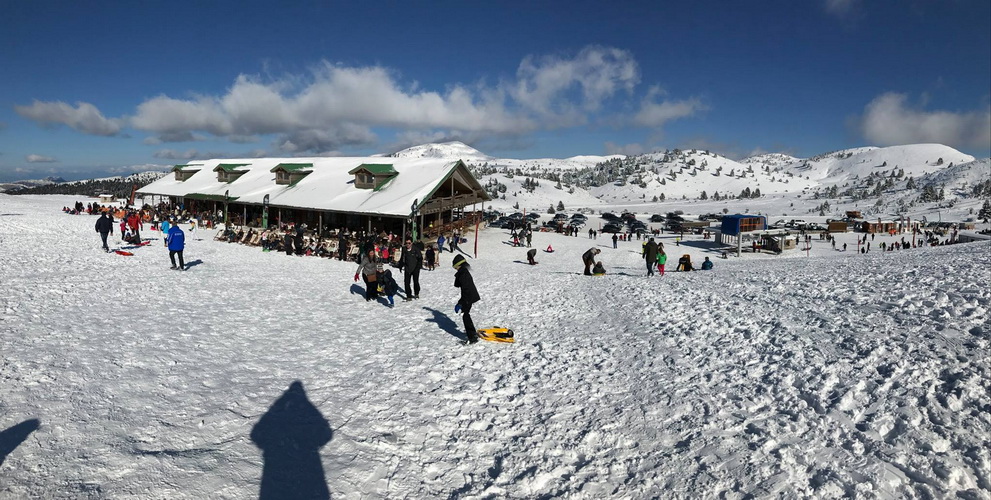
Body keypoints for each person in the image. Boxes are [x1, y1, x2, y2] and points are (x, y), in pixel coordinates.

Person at [452, 254, 480, 344]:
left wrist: (460, 303)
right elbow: (460, 285)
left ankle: (472, 337)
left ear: (458, 265)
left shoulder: (463, 274)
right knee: (466, 314)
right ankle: (471, 332)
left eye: (455, 267)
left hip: (468, 296)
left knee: (465, 315)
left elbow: (466, 290)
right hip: (469, 296)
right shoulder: (463, 272)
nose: (455, 269)